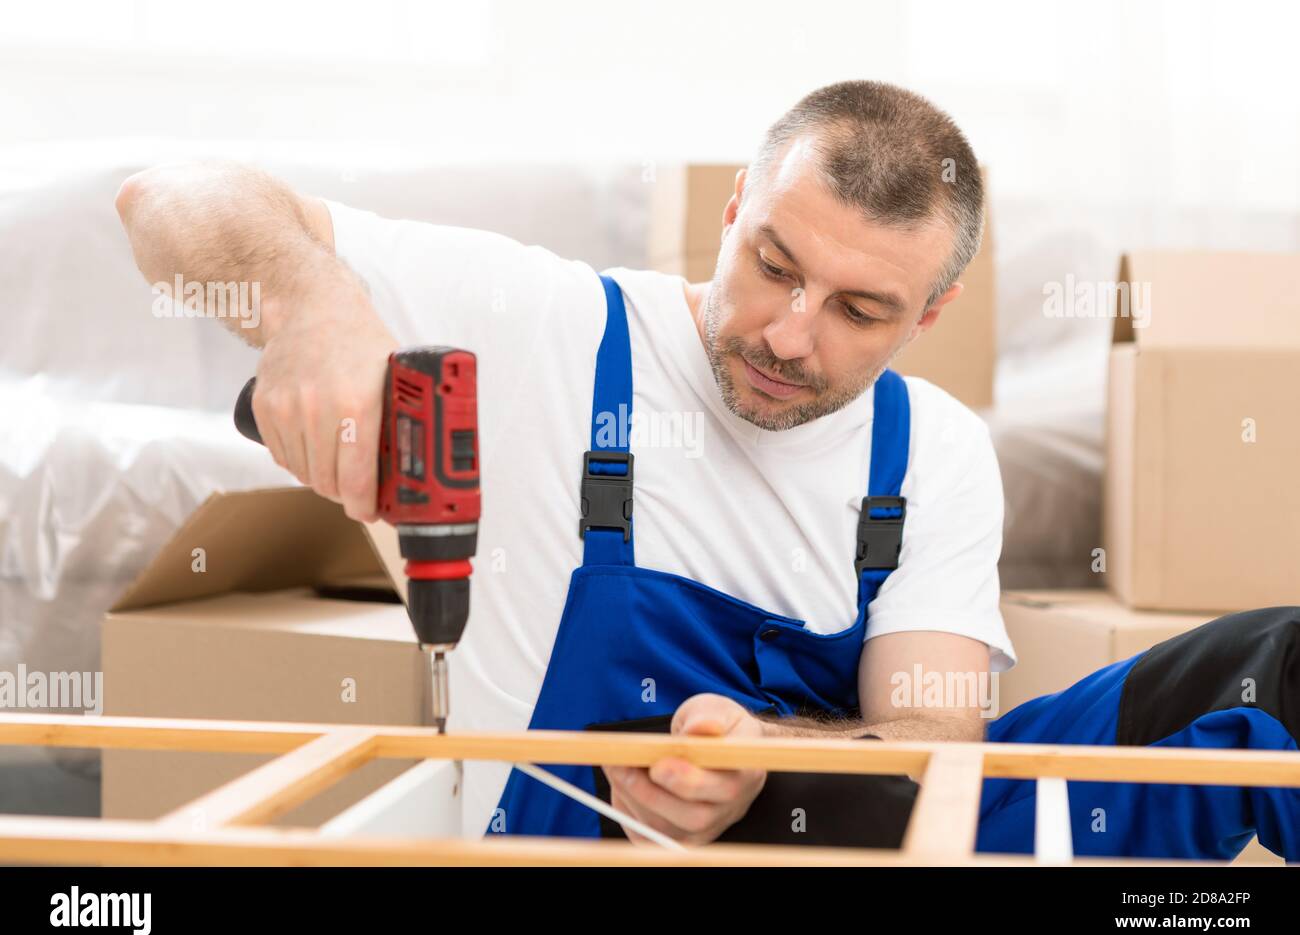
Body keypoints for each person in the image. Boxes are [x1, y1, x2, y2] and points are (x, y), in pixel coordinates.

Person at [116, 80, 1298, 860]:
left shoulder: (931, 446)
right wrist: (318, 307)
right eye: (773, 263)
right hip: (564, 845)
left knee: (1275, 670)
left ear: (928, 316)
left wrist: (761, 765)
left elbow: (929, 752)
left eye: (857, 308)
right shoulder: (554, 328)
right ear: (733, 209)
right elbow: (167, 194)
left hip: (821, 839)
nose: (790, 331)